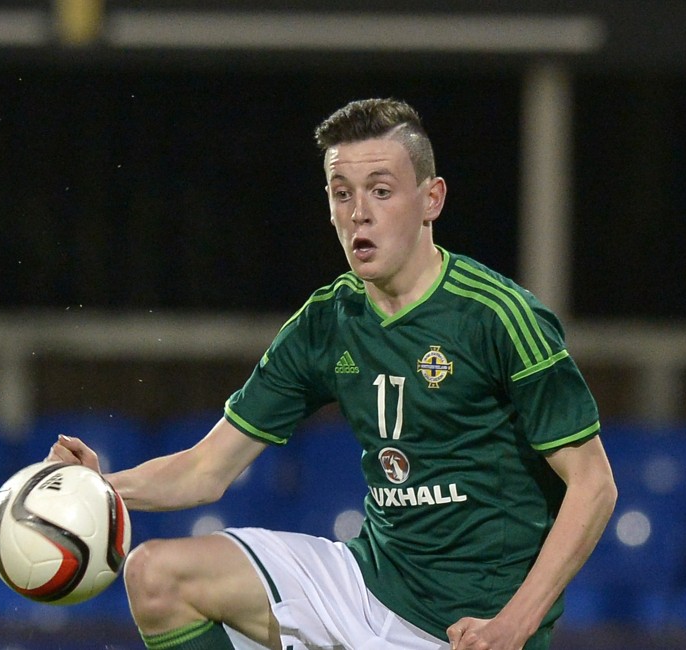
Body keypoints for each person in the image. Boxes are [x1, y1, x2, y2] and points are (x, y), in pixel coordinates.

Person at [49, 98, 617, 650]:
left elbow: (593, 485)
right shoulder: (327, 322)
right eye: (342, 194)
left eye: (381, 191)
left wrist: (514, 625)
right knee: (155, 576)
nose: (359, 213)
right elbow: (206, 469)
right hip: (365, 586)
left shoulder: (498, 316)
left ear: (431, 199)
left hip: (466, 627)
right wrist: (99, 489)